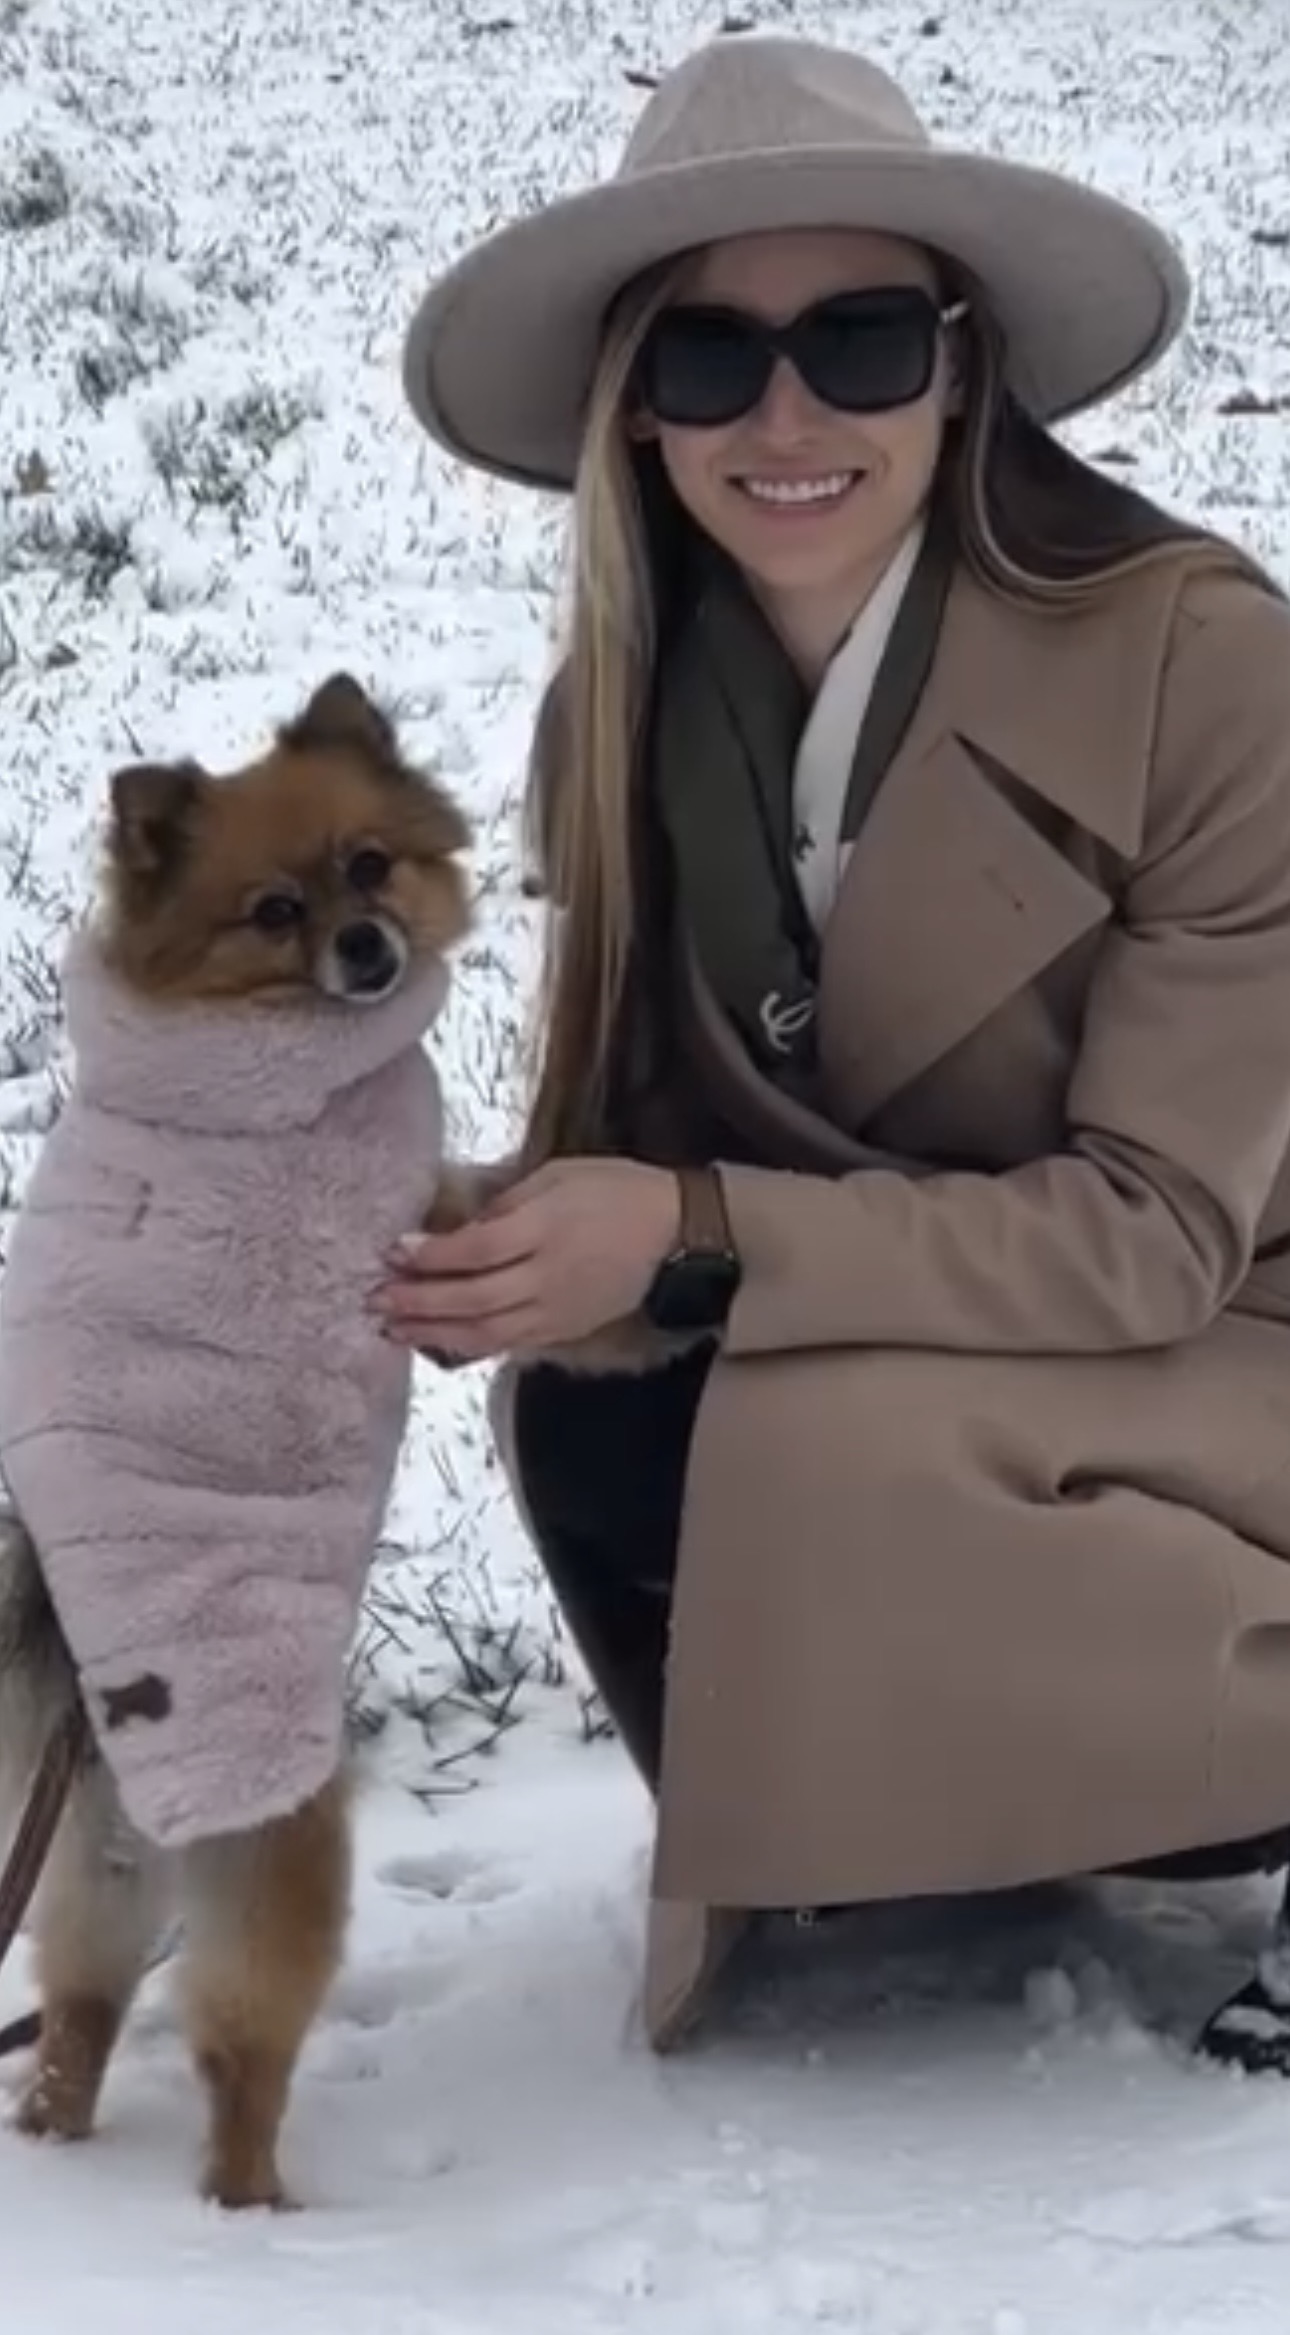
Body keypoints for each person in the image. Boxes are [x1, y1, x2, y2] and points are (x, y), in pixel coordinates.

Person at [378, 32, 1290, 2063]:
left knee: (805, 1428)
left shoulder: (1203, 662)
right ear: (635, 412)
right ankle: (961, 1810)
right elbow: (646, 1154)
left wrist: (692, 1227)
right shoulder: (611, 724)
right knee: (598, 1414)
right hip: (957, 1333)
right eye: (706, 359)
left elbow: (1151, 1237)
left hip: (1232, 1340)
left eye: (861, 338)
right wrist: (426, 1234)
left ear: (959, 364)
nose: (783, 415)